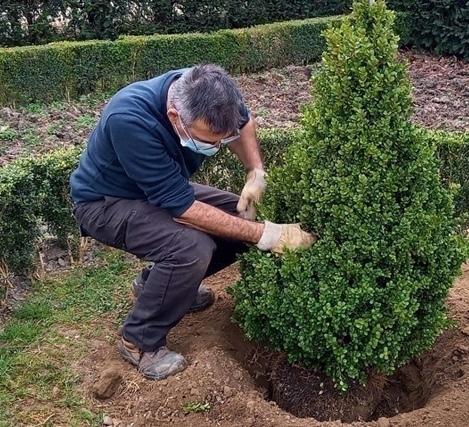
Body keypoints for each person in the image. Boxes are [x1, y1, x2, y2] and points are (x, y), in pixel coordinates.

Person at [69, 63, 316, 380]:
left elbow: (245, 123)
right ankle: (139, 341)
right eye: (207, 140)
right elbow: (182, 208)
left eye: (220, 141)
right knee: (192, 246)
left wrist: (256, 171)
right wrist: (267, 235)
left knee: (238, 217)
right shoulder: (129, 118)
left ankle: (155, 286)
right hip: (106, 201)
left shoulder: (213, 90)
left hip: (160, 187)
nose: (214, 148)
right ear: (175, 118)